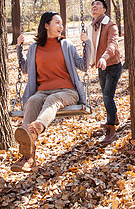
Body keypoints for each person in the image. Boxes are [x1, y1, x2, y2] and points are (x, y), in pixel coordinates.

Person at [11, 11, 92, 173]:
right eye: (57, 23)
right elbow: (25, 69)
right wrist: (19, 48)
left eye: (61, 23)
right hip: (42, 91)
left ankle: (36, 129)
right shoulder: (34, 48)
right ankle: (29, 158)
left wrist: (87, 42)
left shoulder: (67, 45)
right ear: (46, 25)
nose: (61, 26)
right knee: (32, 101)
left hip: (67, 92)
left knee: (53, 99)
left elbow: (83, 65)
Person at [87, 0, 122, 145]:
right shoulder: (91, 26)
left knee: (108, 96)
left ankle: (111, 129)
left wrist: (104, 57)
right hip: (101, 67)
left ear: (104, 9)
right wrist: (91, 60)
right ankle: (114, 117)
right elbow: (91, 46)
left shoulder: (110, 25)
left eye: (98, 4)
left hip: (113, 65)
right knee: (106, 96)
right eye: (93, 4)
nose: (94, 6)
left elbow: (113, 44)